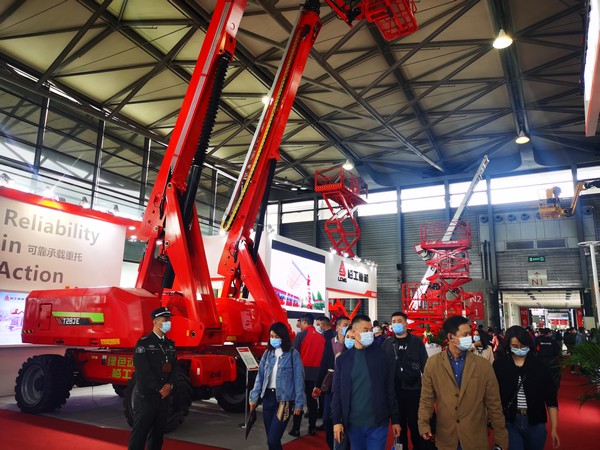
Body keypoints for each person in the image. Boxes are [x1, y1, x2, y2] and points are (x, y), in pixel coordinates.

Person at [418, 315, 508, 450]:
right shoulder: (433, 364)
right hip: (446, 438)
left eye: (469, 334)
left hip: (475, 438)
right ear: (450, 337)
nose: (469, 338)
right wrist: (423, 424)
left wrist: (500, 436)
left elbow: (494, 403)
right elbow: (426, 398)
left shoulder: (482, 365)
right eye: (465, 335)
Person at [332, 314, 401, 450]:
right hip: (353, 423)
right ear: (354, 332)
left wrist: (395, 419)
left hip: (378, 422)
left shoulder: (382, 356)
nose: (369, 333)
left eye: (370, 330)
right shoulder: (343, 360)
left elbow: (389, 389)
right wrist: (336, 421)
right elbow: (337, 392)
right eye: (365, 330)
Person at [493, 325, 560, 450]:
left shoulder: (539, 365)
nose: (520, 349)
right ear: (508, 345)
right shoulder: (500, 365)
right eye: (515, 346)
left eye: (523, 346)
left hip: (536, 420)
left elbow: (551, 399)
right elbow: (493, 396)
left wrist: (554, 428)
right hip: (510, 420)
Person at [249, 322, 305, 450]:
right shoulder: (267, 354)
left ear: (283, 337)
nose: (273, 339)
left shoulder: (293, 354)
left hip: (284, 401)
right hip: (268, 398)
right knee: (271, 439)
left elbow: (298, 380)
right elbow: (260, 377)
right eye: (271, 336)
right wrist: (254, 397)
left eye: (276, 336)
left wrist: (299, 402)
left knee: (273, 439)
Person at [129, 307, 178, 450]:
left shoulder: (170, 344)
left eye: (169, 319)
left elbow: (175, 368)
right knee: (140, 434)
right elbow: (143, 371)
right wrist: (159, 388)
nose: (168, 322)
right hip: (147, 397)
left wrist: (170, 384)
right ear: (155, 322)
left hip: (163, 398)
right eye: (165, 319)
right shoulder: (143, 344)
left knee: (158, 434)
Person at [382, 311, 429, 450]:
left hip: (414, 391)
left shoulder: (416, 342)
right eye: (394, 321)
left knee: (415, 425)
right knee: (398, 427)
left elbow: (425, 366)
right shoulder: (387, 344)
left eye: (399, 321)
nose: (396, 324)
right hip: (394, 393)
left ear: (406, 324)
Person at [313, 315, 351, 449]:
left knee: (345, 418)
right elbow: (324, 363)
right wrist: (317, 385)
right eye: (345, 325)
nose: (347, 327)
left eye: (349, 325)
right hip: (331, 385)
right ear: (338, 327)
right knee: (327, 418)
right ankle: (332, 444)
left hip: (348, 385)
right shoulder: (330, 343)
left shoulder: (351, 342)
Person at [290, 313, 325, 437]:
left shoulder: (301, 336)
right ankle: (312, 428)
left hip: (302, 373)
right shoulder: (321, 337)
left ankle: (296, 429)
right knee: (312, 402)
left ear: (304, 322)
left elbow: (294, 355)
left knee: (298, 400)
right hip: (316, 374)